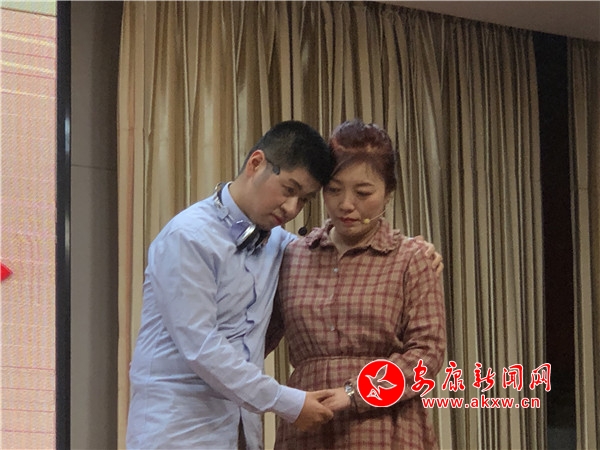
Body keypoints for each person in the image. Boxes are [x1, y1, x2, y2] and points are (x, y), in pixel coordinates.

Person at [126, 121, 339, 450]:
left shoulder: (279, 243)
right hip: (176, 432)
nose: (292, 208)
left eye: (304, 200)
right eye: (289, 189)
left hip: (241, 432)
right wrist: (288, 402)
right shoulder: (189, 237)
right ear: (256, 163)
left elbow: (326, 247)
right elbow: (202, 346)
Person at [267, 119, 446, 449]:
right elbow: (257, 337)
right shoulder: (293, 256)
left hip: (384, 425)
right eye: (334, 190)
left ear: (388, 194)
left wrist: (355, 393)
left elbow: (427, 354)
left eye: (363, 192)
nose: (346, 204)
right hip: (308, 424)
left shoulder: (411, 258)